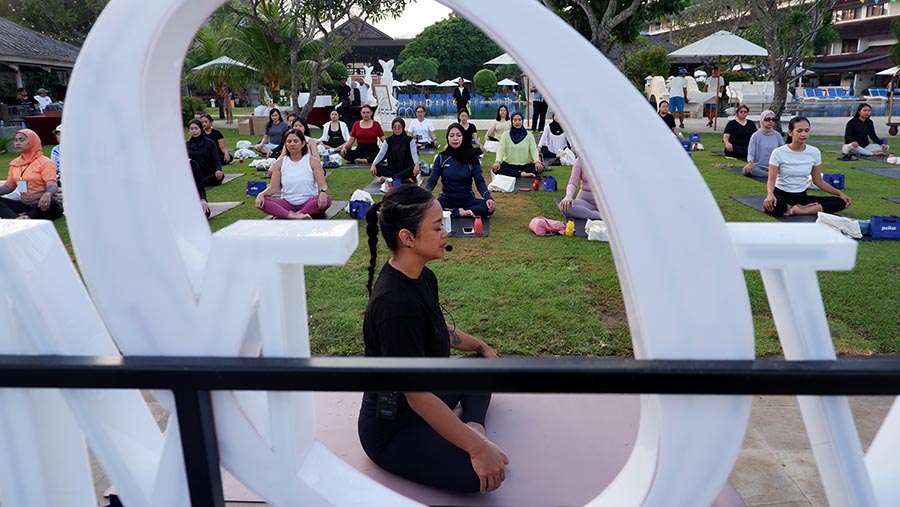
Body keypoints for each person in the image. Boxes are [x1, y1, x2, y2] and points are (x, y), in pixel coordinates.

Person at [359, 184, 507, 493]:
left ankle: (474, 424)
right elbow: (416, 395)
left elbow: (440, 330)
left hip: (430, 392)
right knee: (480, 476)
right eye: (438, 226)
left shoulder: (424, 276)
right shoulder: (394, 306)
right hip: (395, 426)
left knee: (483, 364)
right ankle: (469, 435)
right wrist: (477, 450)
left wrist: (481, 346)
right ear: (407, 237)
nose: (446, 233)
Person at [764, 116, 850, 217]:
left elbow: (818, 181)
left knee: (842, 202)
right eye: (799, 131)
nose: (803, 134)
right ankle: (803, 208)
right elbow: (771, 179)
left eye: (806, 130)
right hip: (781, 195)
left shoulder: (814, 152)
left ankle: (800, 210)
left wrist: (840, 193)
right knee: (771, 206)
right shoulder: (778, 152)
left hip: (802, 196)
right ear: (790, 133)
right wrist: (770, 194)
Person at [255, 129, 331, 219]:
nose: (292, 144)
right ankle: (294, 216)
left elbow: (323, 186)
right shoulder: (280, 163)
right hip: (287, 203)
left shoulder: (313, 162)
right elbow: (273, 188)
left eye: (295, 141)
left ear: (303, 144)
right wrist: (261, 194)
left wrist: (323, 193)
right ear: (285, 144)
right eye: (289, 141)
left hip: (308, 202)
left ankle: (294, 214)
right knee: (264, 201)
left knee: (327, 199)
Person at [426, 123, 496, 218]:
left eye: (458, 135)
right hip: (446, 199)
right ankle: (459, 213)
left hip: (467, 199)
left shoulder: (471, 158)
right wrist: (425, 195)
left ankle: (452, 213)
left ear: (463, 137)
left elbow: (479, 181)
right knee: (427, 209)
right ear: (448, 138)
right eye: (451, 136)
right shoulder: (441, 158)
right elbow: (432, 180)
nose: (455, 138)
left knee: (487, 207)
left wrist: (488, 197)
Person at [0, 129, 63, 220]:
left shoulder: (45, 162)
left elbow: (52, 185)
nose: (17, 143)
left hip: (44, 204)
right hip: (24, 204)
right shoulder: (15, 163)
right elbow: (8, 187)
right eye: (16, 140)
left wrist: (47, 194)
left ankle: (27, 217)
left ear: (33, 141)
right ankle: (17, 218)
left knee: (53, 204)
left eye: (22, 140)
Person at [492, 112, 543, 178]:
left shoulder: (529, 135)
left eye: (519, 120)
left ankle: (515, 173)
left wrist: (537, 161)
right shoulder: (505, 135)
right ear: (512, 122)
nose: (517, 122)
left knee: (539, 169)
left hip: (525, 166)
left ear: (522, 121)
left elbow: (533, 150)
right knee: (497, 169)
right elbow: (500, 149)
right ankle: (521, 174)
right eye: (515, 120)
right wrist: (498, 161)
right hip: (509, 165)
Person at [371, 117, 420, 183]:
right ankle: (402, 179)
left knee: (414, 167)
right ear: (392, 128)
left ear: (403, 127)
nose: (397, 129)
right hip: (392, 169)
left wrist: (416, 164)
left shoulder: (410, 140)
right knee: (376, 167)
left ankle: (390, 178)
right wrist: (374, 164)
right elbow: (381, 153)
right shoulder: (388, 141)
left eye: (399, 127)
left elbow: (414, 153)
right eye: (395, 127)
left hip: (406, 169)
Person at [743, 109, 784, 176]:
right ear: (762, 120)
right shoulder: (756, 136)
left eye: (773, 119)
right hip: (758, 166)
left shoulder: (777, 136)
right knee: (748, 170)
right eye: (767, 119)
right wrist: (750, 162)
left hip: (774, 166)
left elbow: (782, 151)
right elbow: (751, 152)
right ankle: (771, 175)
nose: (771, 121)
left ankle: (772, 175)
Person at [186, 119, 223, 187]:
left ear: (201, 129)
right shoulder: (186, 145)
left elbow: (216, 159)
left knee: (219, 176)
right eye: (191, 129)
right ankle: (197, 182)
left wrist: (218, 170)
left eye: (196, 128)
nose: (194, 131)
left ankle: (199, 183)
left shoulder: (210, 143)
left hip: (208, 173)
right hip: (193, 174)